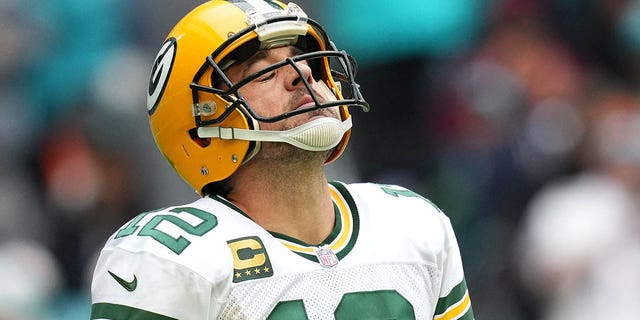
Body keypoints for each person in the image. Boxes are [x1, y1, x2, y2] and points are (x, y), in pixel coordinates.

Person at [90, 1, 476, 319]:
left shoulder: (412, 224)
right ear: (201, 129)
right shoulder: (172, 258)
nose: (302, 73)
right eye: (263, 72)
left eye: (302, 58)